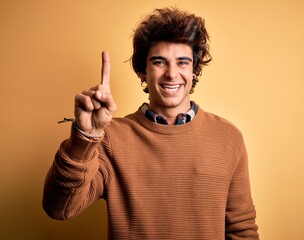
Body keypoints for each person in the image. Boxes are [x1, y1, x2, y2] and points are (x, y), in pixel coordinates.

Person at [43, 7, 259, 240]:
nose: (172, 74)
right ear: (142, 72)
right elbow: (60, 208)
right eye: (159, 62)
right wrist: (85, 136)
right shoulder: (110, 138)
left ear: (195, 70)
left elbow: (241, 230)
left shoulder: (228, 138)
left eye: (183, 62)